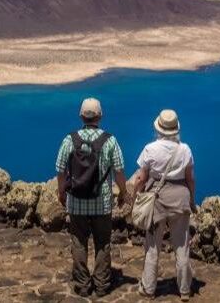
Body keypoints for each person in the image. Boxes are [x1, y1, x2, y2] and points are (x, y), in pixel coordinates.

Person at [54, 97, 128, 297]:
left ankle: (82, 284)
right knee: (102, 242)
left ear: (81, 116)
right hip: (102, 203)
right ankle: (102, 284)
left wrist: (62, 192)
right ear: (100, 116)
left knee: (78, 242)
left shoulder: (70, 139)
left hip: (76, 201)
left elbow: (60, 170)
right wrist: (123, 192)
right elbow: (119, 171)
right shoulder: (110, 140)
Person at [129, 109, 196, 301]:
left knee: (152, 247)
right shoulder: (185, 149)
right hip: (180, 199)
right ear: (175, 129)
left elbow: (141, 177)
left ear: (158, 128)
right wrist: (191, 200)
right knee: (182, 246)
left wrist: (135, 196)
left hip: (156, 200)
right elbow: (190, 179)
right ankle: (184, 290)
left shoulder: (150, 149)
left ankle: (148, 288)